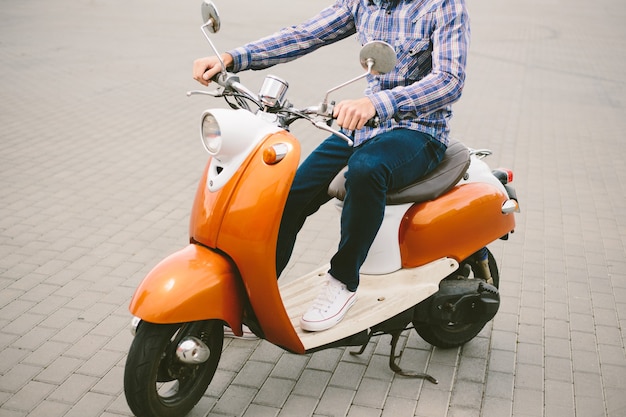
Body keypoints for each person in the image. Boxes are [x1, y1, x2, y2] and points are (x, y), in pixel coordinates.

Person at [193, 0, 470, 332]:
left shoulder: (442, 6)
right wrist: (233, 57)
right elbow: (307, 34)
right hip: (364, 126)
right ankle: (253, 294)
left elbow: (449, 80)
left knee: (366, 170)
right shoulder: (363, 3)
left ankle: (342, 282)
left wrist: (378, 102)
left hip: (420, 130)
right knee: (289, 194)